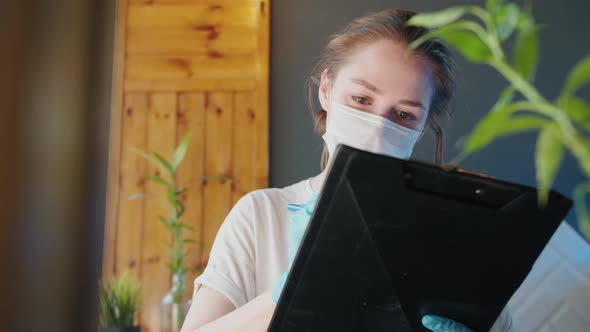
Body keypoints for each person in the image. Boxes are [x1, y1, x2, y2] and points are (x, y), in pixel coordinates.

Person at [181, 9, 516, 332]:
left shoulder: (459, 236)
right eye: (361, 99)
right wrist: (287, 293)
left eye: (403, 115)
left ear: (424, 126)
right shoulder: (261, 216)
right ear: (326, 89)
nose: (377, 128)